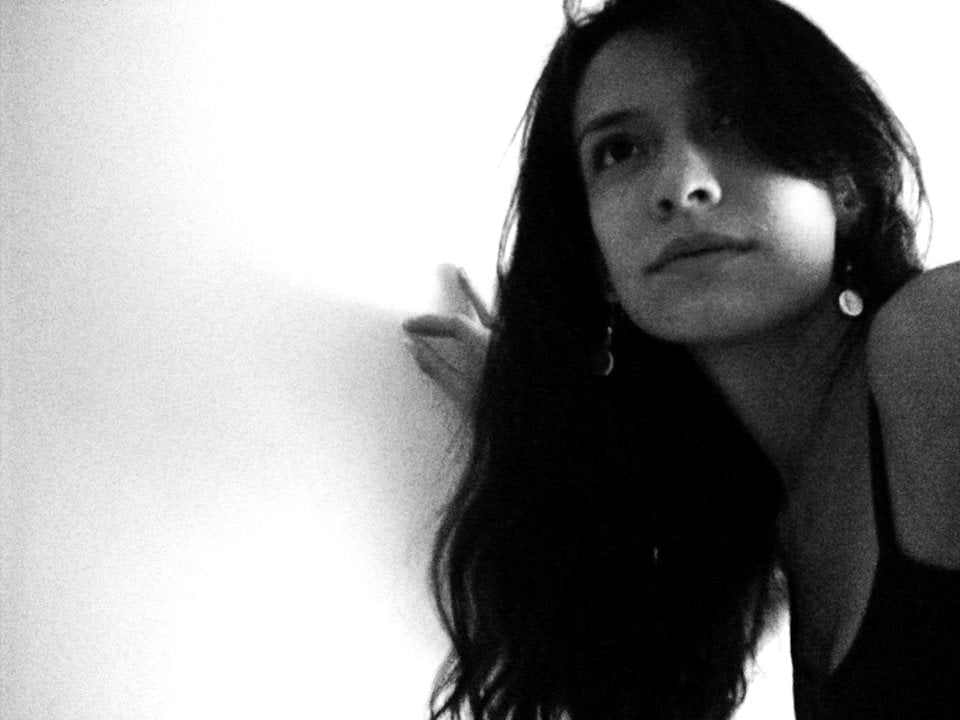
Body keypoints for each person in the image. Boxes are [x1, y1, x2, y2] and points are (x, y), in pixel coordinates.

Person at [402, 0, 960, 718]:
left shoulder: (934, 335)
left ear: (844, 186)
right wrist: (526, 415)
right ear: (600, 264)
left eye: (730, 119)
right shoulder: (772, 530)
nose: (679, 184)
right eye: (619, 151)